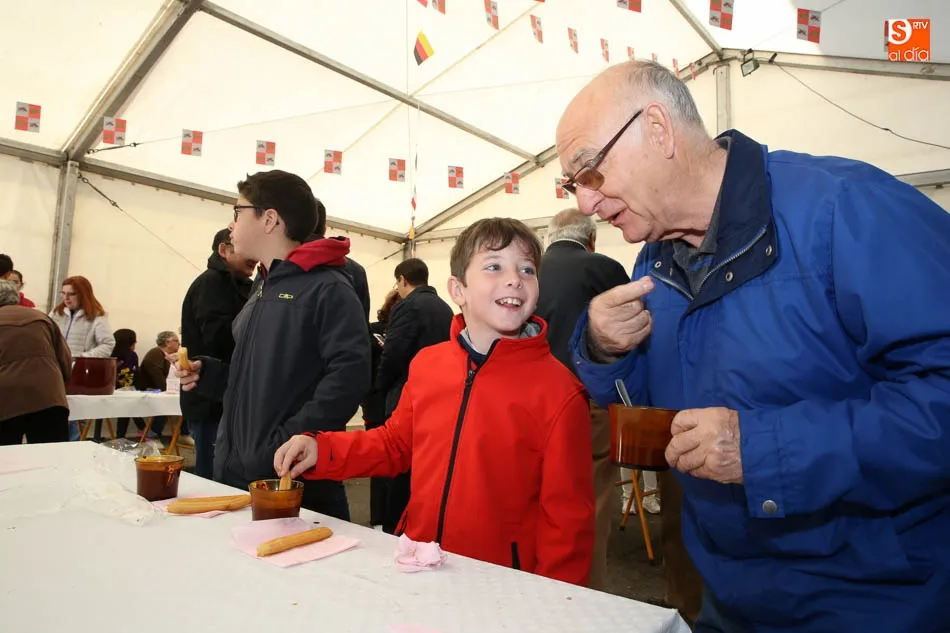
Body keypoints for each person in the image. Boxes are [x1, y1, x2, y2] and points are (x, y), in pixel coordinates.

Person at [557, 60, 950, 631]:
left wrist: (763, 450)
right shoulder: (653, 263)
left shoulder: (845, 208)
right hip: (729, 598)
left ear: (659, 130)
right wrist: (604, 350)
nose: (586, 204)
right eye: (574, 185)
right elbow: (658, 412)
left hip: (876, 602)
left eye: (590, 171)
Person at [274, 218, 596, 586]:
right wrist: (323, 449)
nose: (515, 279)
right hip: (419, 561)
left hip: (500, 585)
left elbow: (568, 521)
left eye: (527, 269)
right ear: (458, 289)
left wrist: (552, 602)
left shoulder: (560, 392)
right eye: (494, 266)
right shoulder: (429, 364)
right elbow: (395, 444)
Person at [178, 169, 370, 521]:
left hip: (290, 480)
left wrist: (286, 439)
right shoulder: (263, 286)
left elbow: (350, 376)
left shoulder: (328, 288)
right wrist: (212, 375)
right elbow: (261, 375)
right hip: (237, 471)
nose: (232, 224)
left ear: (269, 220)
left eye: (238, 212)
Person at [534, 208, 633, 591]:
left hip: (531, 400)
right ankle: (583, 590)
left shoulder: (527, 269)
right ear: (591, 239)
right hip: (587, 399)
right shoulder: (603, 268)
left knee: (531, 492)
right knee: (591, 497)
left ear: (549, 237)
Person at [374, 257, 454, 534]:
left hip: (407, 399)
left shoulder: (408, 306)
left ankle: (394, 531)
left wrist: (379, 387)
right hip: (440, 401)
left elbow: (393, 355)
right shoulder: (445, 308)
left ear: (402, 280)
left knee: (398, 470)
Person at [180, 228, 255, 479]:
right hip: (209, 398)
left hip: (226, 395)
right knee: (213, 477)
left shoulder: (244, 285)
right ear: (224, 250)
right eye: (245, 249)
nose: (254, 257)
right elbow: (218, 338)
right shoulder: (211, 283)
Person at [0, 280, 71, 444]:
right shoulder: (41, 317)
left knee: (5, 457)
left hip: (5, 400)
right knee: (52, 455)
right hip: (48, 396)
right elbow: (64, 358)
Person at [49, 275, 115, 441]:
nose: (66, 298)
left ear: (83, 294)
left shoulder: (97, 317)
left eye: (71, 294)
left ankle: (73, 447)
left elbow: (107, 344)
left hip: (79, 375)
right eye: (63, 293)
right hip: (55, 372)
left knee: (77, 418)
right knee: (56, 414)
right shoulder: (55, 314)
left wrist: (83, 358)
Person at [362, 289, 402, 528]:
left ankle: (392, 519)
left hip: (397, 405)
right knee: (377, 461)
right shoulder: (372, 330)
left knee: (397, 464)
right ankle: (377, 518)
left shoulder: (407, 331)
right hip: (376, 404)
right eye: (395, 305)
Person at [137, 331, 182, 440]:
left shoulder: (163, 355)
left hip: (156, 388)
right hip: (149, 389)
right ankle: (152, 433)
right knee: (168, 404)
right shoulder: (156, 353)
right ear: (167, 342)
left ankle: (154, 432)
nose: (179, 343)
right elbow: (157, 377)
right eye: (176, 341)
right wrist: (168, 390)